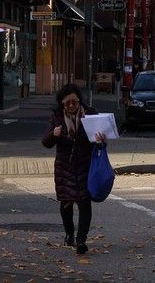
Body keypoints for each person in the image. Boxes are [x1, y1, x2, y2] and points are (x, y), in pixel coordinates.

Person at [41, 83, 105, 254]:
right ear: (62, 103)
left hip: (85, 165)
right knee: (66, 204)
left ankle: (81, 239)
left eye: (74, 102)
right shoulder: (56, 116)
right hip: (65, 166)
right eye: (67, 103)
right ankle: (69, 233)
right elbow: (45, 142)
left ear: (79, 101)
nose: (71, 106)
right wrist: (53, 134)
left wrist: (99, 142)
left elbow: (101, 141)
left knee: (84, 203)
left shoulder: (90, 114)